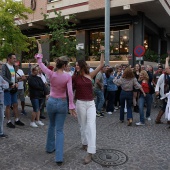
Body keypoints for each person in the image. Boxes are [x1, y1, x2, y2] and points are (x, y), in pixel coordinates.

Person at [35, 41, 76, 166]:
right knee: (59, 130)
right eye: (67, 64)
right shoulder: (68, 76)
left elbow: (40, 63)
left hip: (51, 102)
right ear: (64, 65)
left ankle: (49, 148)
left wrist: (40, 51)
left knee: (51, 126)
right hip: (62, 103)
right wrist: (72, 106)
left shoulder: (51, 73)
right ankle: (59, 157)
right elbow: (69, 91)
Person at [72, 46, 104, 164]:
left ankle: (90, 152)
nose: (76, 66)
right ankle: (84, 143)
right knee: (82, 126)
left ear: (82, 66)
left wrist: (102, 52)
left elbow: (101, 65)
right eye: (75, 65)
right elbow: (69, 90)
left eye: (77, 64)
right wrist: (70, 106)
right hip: (80, 103)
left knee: (91, 126)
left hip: (91, 104)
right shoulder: (74, 77)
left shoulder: (90, 75)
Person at [1, 53, 25, 128]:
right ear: (9, 59)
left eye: (15, 58)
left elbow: (14, 77)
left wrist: (17, 83)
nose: (15, 60)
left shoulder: (13, 66)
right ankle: (8, 121)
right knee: (8, 105)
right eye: (14, 58)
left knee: (15, 104)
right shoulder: (5, 66)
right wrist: (11, 83)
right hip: (7, 89)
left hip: (14, 88)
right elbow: (3, 76)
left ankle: (17, 119)